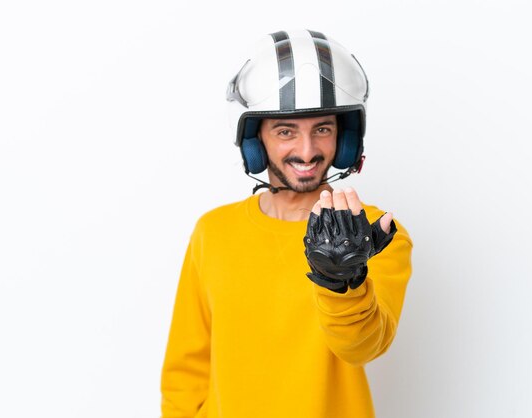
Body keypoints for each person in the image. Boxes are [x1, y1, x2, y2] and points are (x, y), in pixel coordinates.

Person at [160, 29, 413, 418]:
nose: (307, 150)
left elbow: (363, 347)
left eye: (323, 129)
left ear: (344, 138)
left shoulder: (374, 232)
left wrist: (342, 284)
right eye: (285, 131)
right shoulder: (213, 232)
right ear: (255, 139)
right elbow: (185, 370)